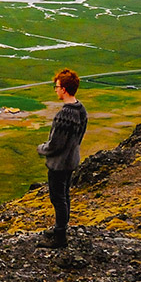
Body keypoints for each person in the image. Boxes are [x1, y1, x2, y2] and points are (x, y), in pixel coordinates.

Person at [36, 68, 88, 249]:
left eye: (57, 86)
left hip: (59, 164)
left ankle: (60, 237)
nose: (55, 89)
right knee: (64, 196)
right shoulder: (81, 109)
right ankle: (60, 229)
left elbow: (55, 145)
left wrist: (41, 149)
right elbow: (78, 137)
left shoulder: (64, 114)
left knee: (58, 198)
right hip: (71, 160)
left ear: (64, 89)